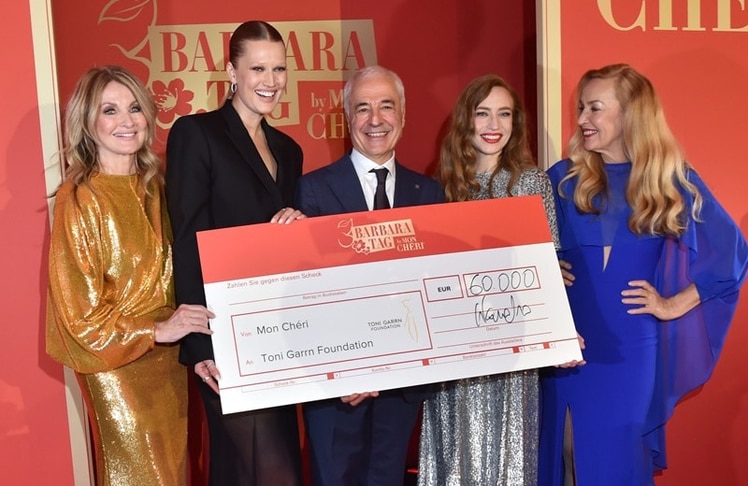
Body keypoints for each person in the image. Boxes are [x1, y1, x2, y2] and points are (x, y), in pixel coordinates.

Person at [539, 63, 748, 485]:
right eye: (581, 107)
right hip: (569, 345)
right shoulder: (562, 178)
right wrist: (542, 269)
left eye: (594, 108)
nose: (582, 119)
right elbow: (522, 254)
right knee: (566, 456)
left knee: (615, 460)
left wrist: (673, 304)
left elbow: (733, 255)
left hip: (633, 351)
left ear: (630, 113)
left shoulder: (671, 181)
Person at [46, 65, 214, 486]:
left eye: (135, 108)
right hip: (116, 365)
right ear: (87, 123)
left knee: (174, 473)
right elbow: (79, 316)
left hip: (171, 361)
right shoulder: (79, 199)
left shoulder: (159, 185)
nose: (127, 121)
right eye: (110, 110)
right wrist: (155, 330)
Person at [165, 20, 304, 486]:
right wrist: (199, 343)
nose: (271, 81)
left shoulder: (289, 149)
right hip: (223, 338)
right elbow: (186, 238)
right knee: (265, 467)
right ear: (231, 72)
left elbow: (282, 245)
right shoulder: (195, 133)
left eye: (279, 69)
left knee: (259, 464)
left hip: (277, 334)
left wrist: (297, 226)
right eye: (258, 68)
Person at [295, 65, 445, 486]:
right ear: (347, 118)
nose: (375, 120)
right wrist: (348, 367)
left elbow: (431, 290)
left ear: (403, 114)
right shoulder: (312, 190)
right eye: (363, 108)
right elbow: (309, 293)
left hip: (401, 385)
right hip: (336, 388)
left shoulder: (429, 194)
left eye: (386, 106)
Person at [416, 74, 559, 486]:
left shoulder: (532, 183)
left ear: (516, 123)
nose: (493, 124)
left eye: (504, 113)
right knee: (455, 453)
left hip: (511, 349)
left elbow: (546, 270)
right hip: (452, 348)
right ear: (466, 120)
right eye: (483, 113)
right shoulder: (440, 187)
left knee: (508, 459)